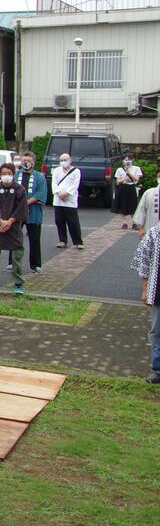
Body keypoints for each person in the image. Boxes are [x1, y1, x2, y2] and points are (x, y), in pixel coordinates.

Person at [0, 163, 28, 295]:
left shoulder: (20, 189)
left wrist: (9, 222)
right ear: (0, 175)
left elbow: (21, 208)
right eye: (4, 173)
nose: (7, 176)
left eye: (9, 174)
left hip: (14, 227)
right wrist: (0, 222)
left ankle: (18, 283)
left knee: (17, 256)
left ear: (13, 174)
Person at [129, 223, 160, 383]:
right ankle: (158, 369)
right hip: (158, 291)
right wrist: (145, 290)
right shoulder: (154, 232)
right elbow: (144, 261)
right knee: (156, 331)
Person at [18, 151, 47, 273]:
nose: (26, 163)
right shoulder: (16, 174)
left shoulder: (39, 177)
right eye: (24, 160)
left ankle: (36, 264)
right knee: (15, 238)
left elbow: (41, 193)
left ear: (33, 163)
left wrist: (27, 202)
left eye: (29, 161)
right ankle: (12, 262)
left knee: (34, 239)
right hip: (17, 212)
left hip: (33, 211)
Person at [52, 152, 83, 249]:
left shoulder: (76, 171)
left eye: (65, 160)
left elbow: (75, 185)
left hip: (70, 200)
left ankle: (78, 241)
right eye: (61, 160)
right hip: (58, 199)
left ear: (70, 160)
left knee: (73, 222)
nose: (63, 162)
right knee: (59, 221)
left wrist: (66, 193)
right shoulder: (57, 170)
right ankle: (62, 240)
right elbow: (54, 183)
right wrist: (59, 193)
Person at [113, 155, 142, 229]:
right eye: (125, 160)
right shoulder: (119, 169)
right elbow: (117, 182)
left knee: (133, 205)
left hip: (131, 187)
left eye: (129, 160)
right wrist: (124, 179)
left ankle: (134, 223)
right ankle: (124, 223)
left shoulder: (136, 168)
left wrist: (129, 173)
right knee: (122, 205)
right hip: (122, 188)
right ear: (123, 161)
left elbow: (136, 179)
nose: (127, 161)